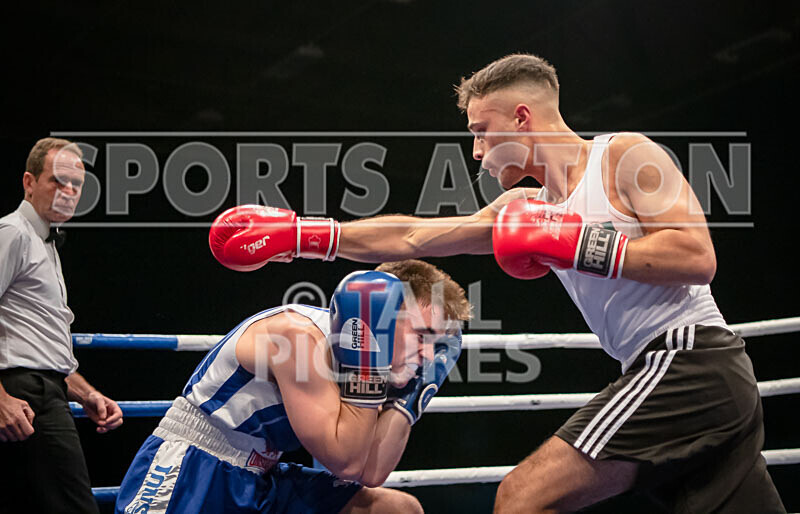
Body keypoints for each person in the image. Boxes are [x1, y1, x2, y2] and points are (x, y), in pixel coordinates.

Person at [208, 54, 786, 513]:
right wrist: (307, 235)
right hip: (684, 377)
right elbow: (414, 236)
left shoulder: (624, 156)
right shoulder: (524, 207)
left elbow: (696, 255)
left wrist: (574, 244)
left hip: (689, 359)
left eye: (482, 131)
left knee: (521, 498)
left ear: (522, 118)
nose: (477, 151)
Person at [116, 258, 469, 513]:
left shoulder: (366, 357)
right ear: (382, 317)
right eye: (421, 335)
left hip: (260, 477)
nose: (428, 355)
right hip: (193, 469)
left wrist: (410, 399)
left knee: (396, 509)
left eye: (436, 343)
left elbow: (372, 471)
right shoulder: (297, 338)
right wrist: (369, 366)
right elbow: (347, 464)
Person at [0, 137, 124, 514]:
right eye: (58, 180)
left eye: (76, 184)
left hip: (43, 390)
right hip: (24, 395)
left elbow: (40, 343)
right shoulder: (13, 233)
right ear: (29, 182)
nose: (68, 191)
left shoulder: (45, 243)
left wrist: (86, 393)